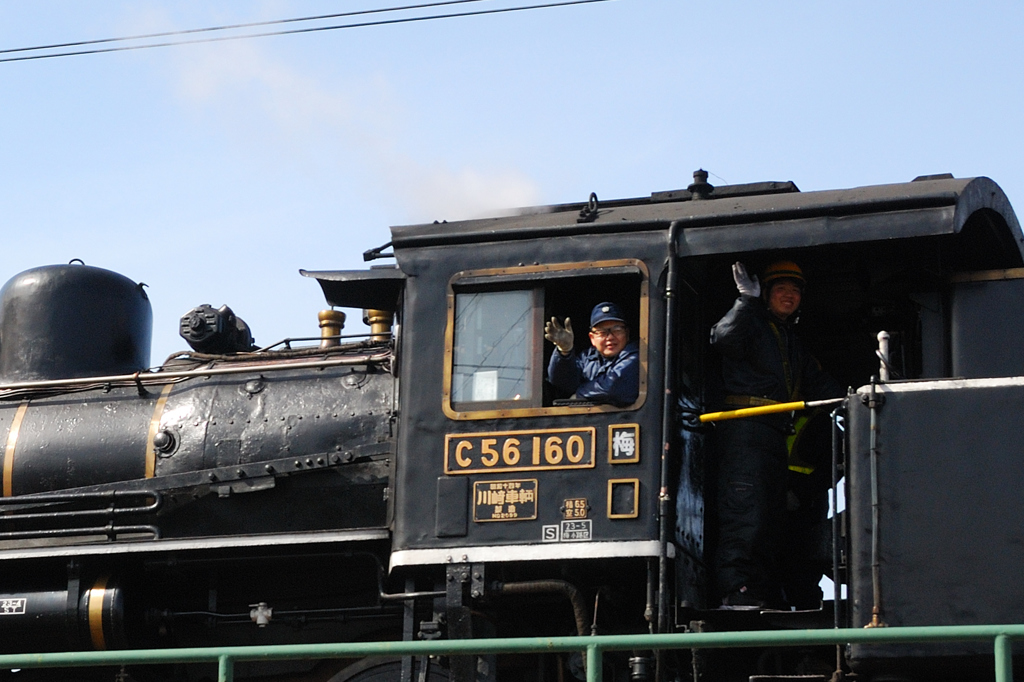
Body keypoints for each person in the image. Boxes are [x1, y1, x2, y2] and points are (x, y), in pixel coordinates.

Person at [710, 261, 841, 610]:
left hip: (773, 431)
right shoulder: (752, 323)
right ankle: (736, 591)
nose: (790, 295)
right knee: (746, 511)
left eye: (795, 290)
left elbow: (822, 385)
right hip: (745, 427)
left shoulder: (792, 342)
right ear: (766, 294)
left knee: (768, 516)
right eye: (782, 288)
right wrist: (746, 303)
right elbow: (722, 338)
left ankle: (760, 592)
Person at [545, 302, 639, 407]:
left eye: (617, 330)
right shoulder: (587, 357)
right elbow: (563, 382)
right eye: (602, 332)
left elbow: (614, 386)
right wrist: (564, 351)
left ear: (627, 333)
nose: (610, 337)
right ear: (592, 338)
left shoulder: (635, 356)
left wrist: (578, 395)